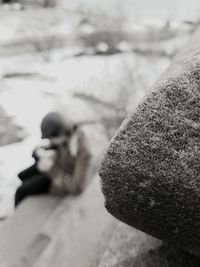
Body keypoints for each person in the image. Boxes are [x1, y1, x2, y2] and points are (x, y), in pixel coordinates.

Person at [15, 112, 92, 207]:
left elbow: (78, 187)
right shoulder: (67, 135)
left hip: (57, 179)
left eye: (51, 138)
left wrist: (51, 169)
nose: (50, 141)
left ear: (60, 133)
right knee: (21, 175)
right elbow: (53, 145)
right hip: (54, 166)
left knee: (20, 191)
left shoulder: (84, 151)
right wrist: (39, 151)